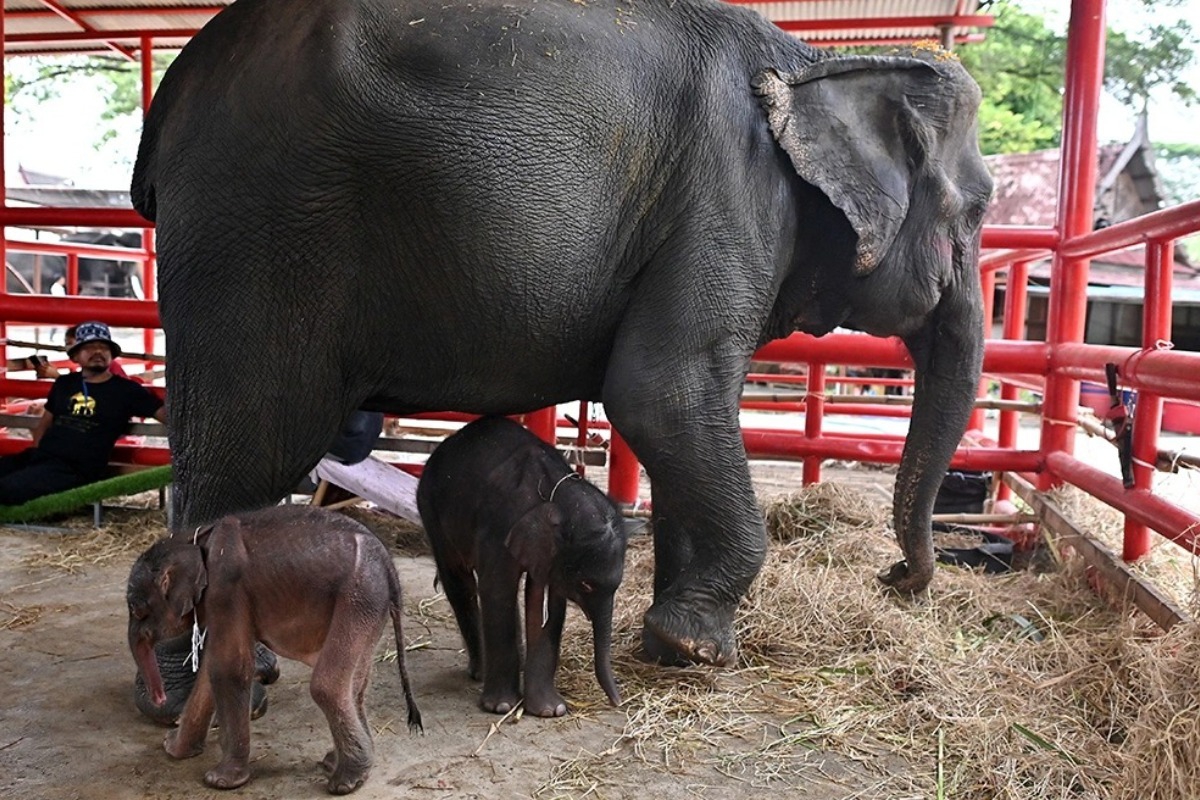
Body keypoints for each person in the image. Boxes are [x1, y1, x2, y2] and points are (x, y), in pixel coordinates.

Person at [0, 321, 166, 506]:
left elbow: (165, 415)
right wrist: (39, 454)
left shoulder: (127, 391)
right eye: (90, 347)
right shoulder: (65, 384)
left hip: (76, 469)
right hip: (41, 458)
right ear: (76, 356)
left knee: (7, 489)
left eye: (104, 348)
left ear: (111, 355)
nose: (98, 352)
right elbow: (44, 424)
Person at [34, 324, 131, 380]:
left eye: (71, 344)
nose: (68, 349)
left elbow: (93, 391)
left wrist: (57, 377)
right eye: (67, 344)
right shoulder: (89, 367)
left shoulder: (102, 365)